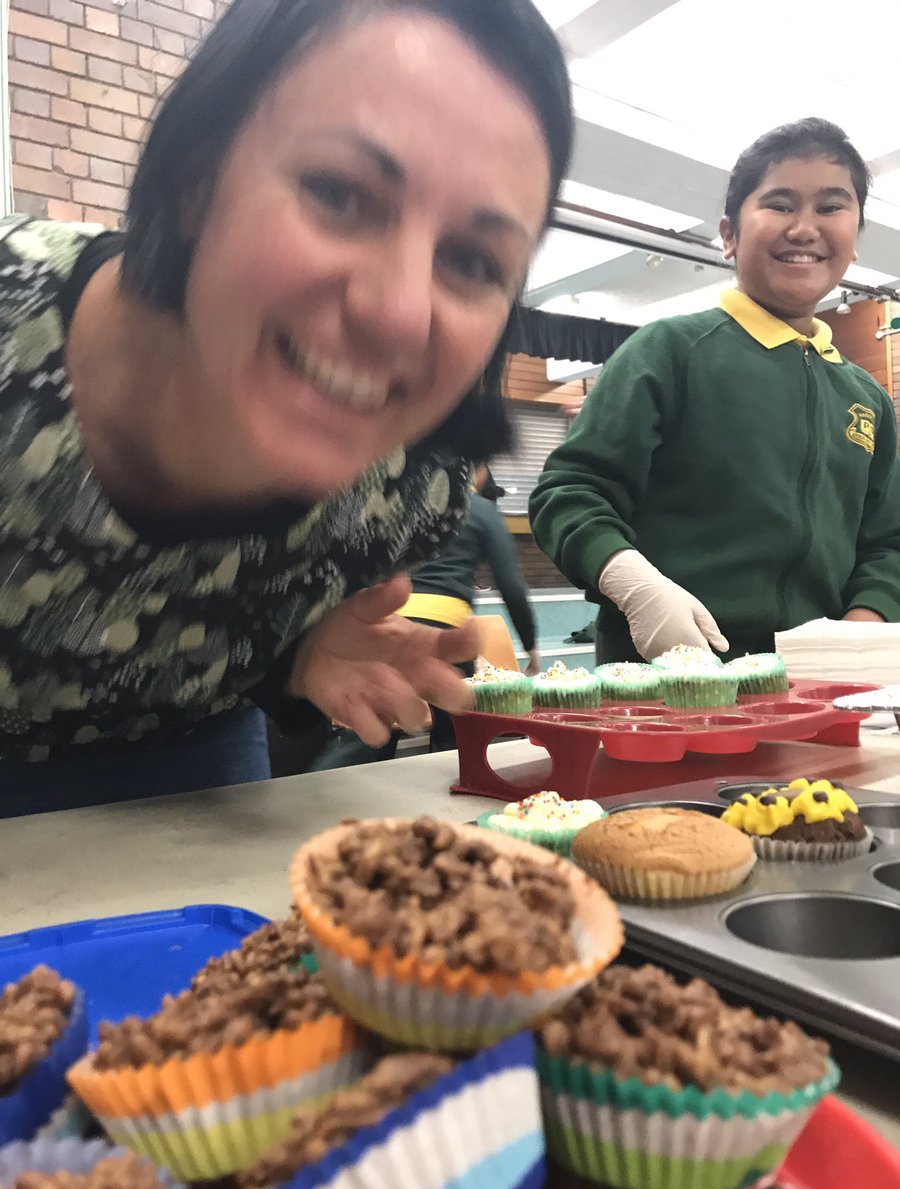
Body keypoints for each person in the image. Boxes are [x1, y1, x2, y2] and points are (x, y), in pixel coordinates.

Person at [0, 0, 573, 815]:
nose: (400, 314)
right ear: (198, 175)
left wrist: (297, 657)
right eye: (340, 193)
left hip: (190, 793)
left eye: (474, 260)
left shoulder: (407, 491)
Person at [530, 118, 900, 666]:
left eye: (830, 207)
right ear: (728, 235)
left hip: (815, 692)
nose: (804, 228)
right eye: (779, 204)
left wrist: (857, 633)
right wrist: (636, 586)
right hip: (663, 684)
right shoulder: (671, 351)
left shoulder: (866, 398)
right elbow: (570, 492)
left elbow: (887, 543)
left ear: (854, 240)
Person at [311, 462, 540, 768]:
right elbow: (511, 586)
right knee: (456, 741)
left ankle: (322, 791)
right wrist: (531, 647)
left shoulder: (401, 499)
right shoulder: (482, 510)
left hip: (385, 621)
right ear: (480, 472)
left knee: (370, 734)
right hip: (445, 633)